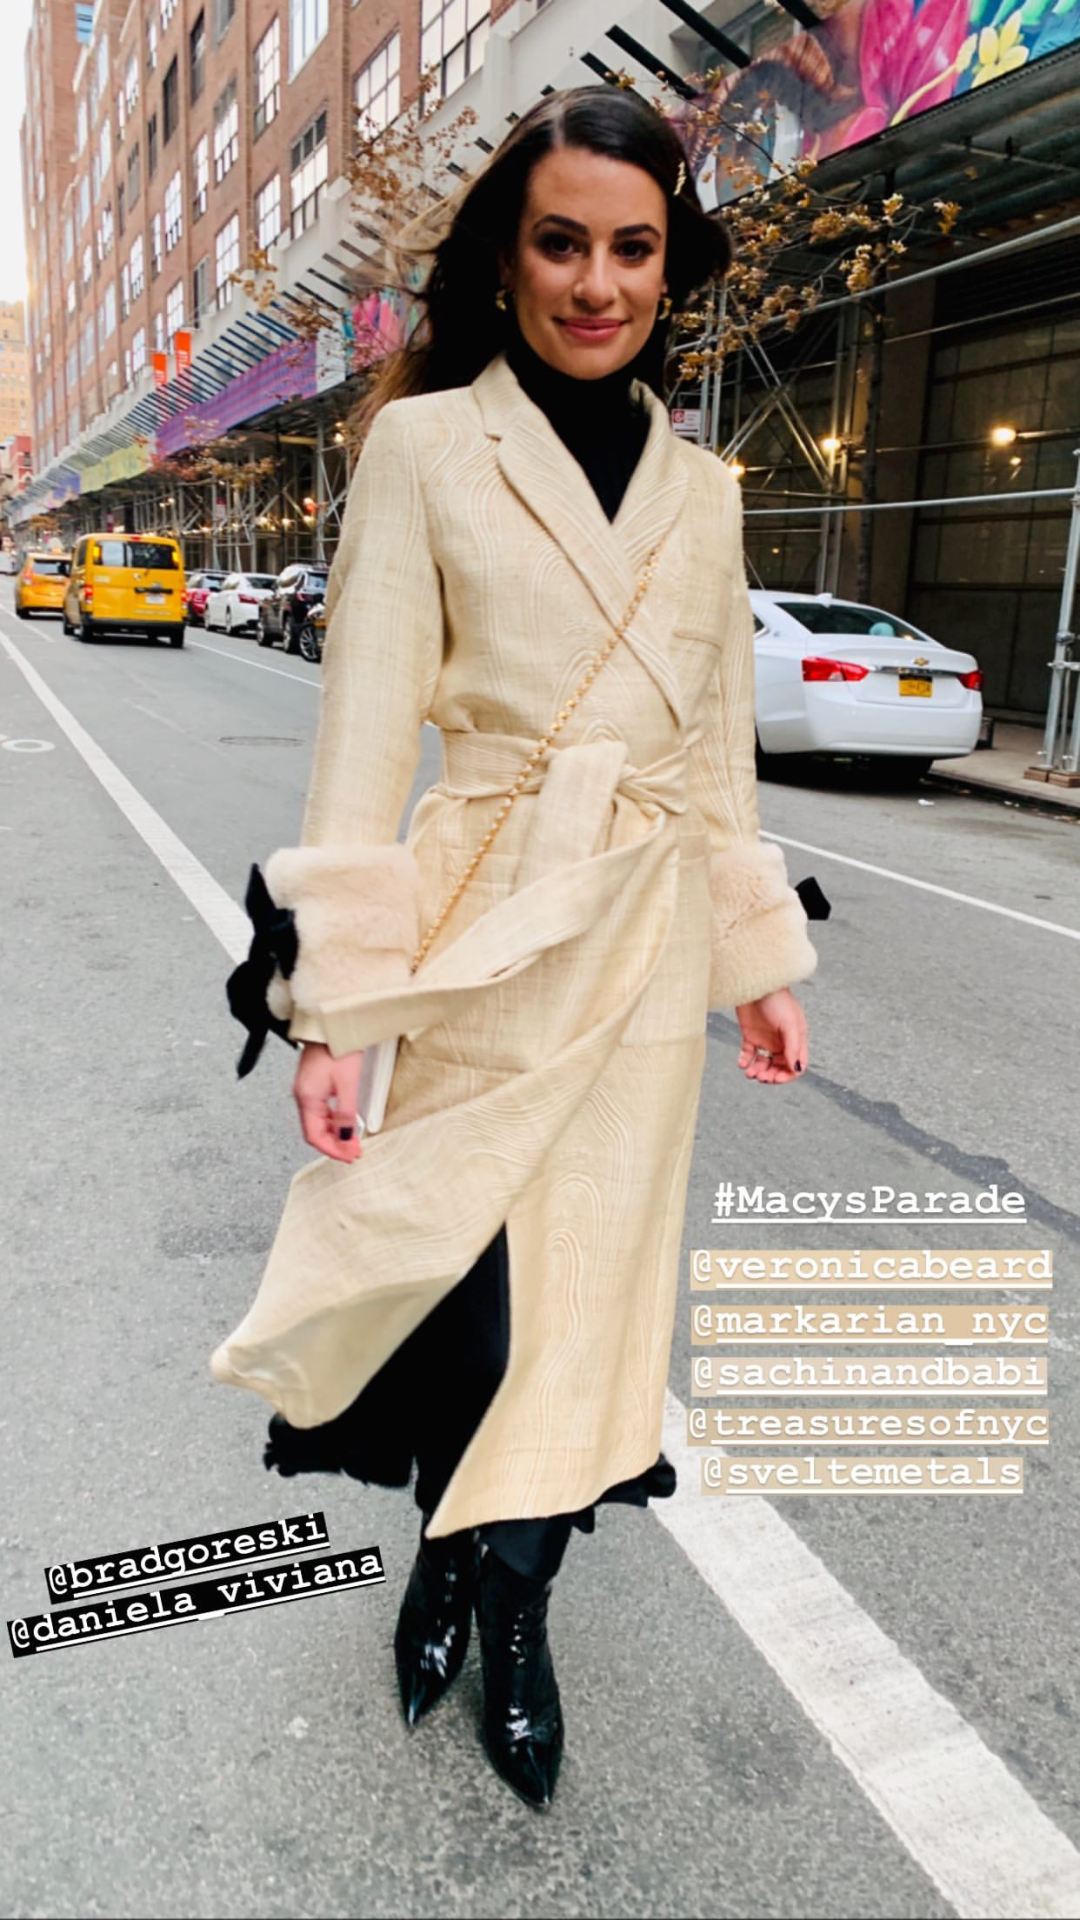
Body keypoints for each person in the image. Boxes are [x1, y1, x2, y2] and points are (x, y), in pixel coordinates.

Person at [213, 85, 819, 1811]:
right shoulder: (422, 450)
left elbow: (715, 755)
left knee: (586, 1318)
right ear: (508, 256)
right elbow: (362, 742)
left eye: (633, 247)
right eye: (563, 242)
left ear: (669, 266)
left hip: (639, 953)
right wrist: (332, 1014)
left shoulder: (705, 494)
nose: (598, 282)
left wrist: (757, 960)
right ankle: (442, 1553)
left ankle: (520, 1606)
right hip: (480, 935)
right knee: (467, 1315)